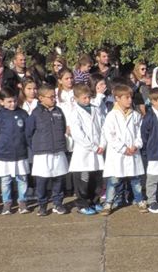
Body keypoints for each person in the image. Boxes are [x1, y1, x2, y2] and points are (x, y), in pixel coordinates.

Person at [25, 85, 70, 217]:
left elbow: (62, 128)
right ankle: (42, 205)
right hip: (42, 152)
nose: (53, 99)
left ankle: (58, 203)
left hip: (58, 150)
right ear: (41, 98)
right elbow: (28, 133)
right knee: (42, 181)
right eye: (51, 97)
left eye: (54, 96)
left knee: (58, 179)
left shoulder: (59, 111)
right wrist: (37, 147)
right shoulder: (35, 113)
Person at [101, 83, 145, 215]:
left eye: (131, 97)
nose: (130, 100)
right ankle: (108, 203)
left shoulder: (135, 115)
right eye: (126, 97)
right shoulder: (111, 116)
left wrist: (136, 145)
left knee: (135, 179)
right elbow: (110, 135)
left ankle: (140, 200)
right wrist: (123, 148)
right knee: (114, 180)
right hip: (118, 154)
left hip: (133, 152)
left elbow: (140, 133)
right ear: (117, 98)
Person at [0, 86, 31, 215]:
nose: (12, 104)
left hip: (21, 153)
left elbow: (27, 132)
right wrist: (2, 146)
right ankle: (7, 202)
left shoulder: (23, 114)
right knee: (5, 180)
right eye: (9, 101)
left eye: (14, 101)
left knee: (22, 178)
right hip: (5, 154)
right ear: (1, 102)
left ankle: (22, 201)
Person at [67, 83, 104, 215]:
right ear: (76, 98)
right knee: (83, 179)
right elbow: (78, 134)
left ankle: (95, 201)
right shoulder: (75, 113)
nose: (87, 100)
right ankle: (83, 203)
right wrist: (93, 146)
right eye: (84, 98)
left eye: (89, 97)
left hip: (98, 149)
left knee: (97, 178)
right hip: (84, 151)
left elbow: (102, 127)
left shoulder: (96, 109)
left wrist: (102, 144)